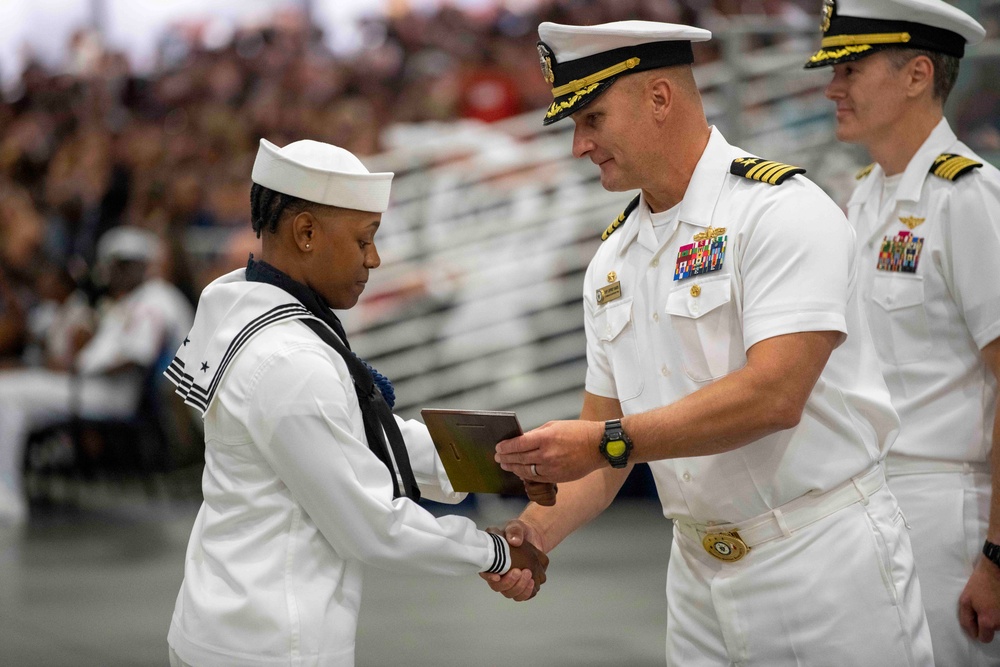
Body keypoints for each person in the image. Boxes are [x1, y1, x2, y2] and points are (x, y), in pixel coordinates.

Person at [483, 19, 934, 665]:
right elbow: (601, 443)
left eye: (593, 118)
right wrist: (529, 533)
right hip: (696, 573)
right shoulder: (612, 259)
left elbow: (775, 393)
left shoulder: (780, 210)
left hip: (821, 559)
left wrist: (608, 440)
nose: (579, 144)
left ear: (660, 98)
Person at [163, 138, 548, 667]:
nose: (375, 257)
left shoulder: (251, 306)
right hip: (273, 645)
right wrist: (494, 550)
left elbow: (364, 432)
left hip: (229, 622)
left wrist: (498, 459)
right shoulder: (291, 359)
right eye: (364, 238)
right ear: (305, 233)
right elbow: (371, 525)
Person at [804, 0, 1000, 663]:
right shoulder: (863, 195)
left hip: (947, 508)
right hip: (864, 502)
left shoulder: (969, 199)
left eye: (850, 69)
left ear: (917, 74)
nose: (832, 87)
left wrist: (997, 555)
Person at [0, 225, 192, 526]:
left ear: (139, 264)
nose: (112, 272)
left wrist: (81, 370)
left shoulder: (155, 299)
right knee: (7, 386)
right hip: (89, 384)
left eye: (119, 265)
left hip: (111, 394)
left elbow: (136, 357)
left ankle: (7, 498)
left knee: (7, 395)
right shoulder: (130, 299)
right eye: (112, 265)